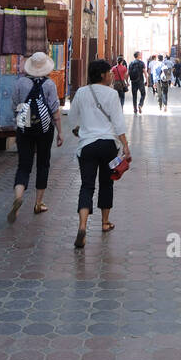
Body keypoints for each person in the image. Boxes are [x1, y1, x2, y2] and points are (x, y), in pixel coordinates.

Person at [68, 58, 131, 249]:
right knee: (106, 183)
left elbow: (72, 118)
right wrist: (126, 146)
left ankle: (82, 226)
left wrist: (79, 131)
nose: (111, 75)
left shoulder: (81, 92)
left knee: (87, 186)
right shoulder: (112, 95)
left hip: (87, 145)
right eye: (109, 73)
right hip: (107, 145)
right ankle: (104, 223)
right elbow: (118, 124)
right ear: (102, 75)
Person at [6, 52, 63, 222]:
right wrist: (60, 132)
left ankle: (18, 196)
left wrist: (19, 124)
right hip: (45, 129)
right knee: (43, 163)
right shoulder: (50, 85)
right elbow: (55, 111)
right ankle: (38, 203)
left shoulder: (20, 83)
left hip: (25, 126)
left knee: (24, 165)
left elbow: (15, 106)